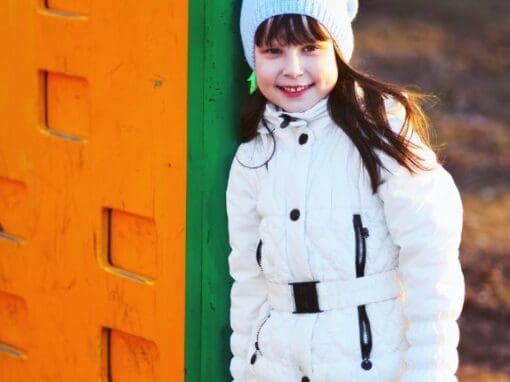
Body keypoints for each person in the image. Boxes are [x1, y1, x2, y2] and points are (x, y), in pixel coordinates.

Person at [226, 1, 465, 381]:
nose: (292, 69)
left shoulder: (381, 133)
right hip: (277, 366)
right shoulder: (253, 157)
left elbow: (430, 256)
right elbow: (248, 279)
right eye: (273, 51)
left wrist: (430, 371)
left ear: (337, 49)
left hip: (370, 365)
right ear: (252, 57)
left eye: (310, 48)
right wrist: (244, 370)